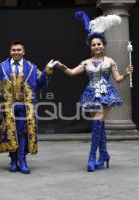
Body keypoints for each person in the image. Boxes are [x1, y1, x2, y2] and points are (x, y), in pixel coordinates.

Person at [57, 11, 134, 172]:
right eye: (93, 44)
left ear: (104, 45)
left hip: (106, 94)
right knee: (99, 126)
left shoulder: (110, 61)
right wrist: (60, 65)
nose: (96, 46)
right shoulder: (86, 62)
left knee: (97, 123)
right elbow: (71, 72)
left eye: (99, 44)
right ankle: (104, 154)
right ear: (90, 47)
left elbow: (118, 79)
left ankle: (92, 157)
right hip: (91, 94)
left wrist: (127, 72)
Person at [0, 41, 57, 174]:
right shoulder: (0, 67)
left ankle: (22, 160)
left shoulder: (31, 67)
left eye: (19, 50)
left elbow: (41, 83)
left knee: (22, 132)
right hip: (8, 106)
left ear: (23, 52)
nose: (16, 52)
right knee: (10, 132)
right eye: (14, 50)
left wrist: (47, 70)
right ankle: (13, 161)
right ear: (10, 51)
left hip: (26, 106)